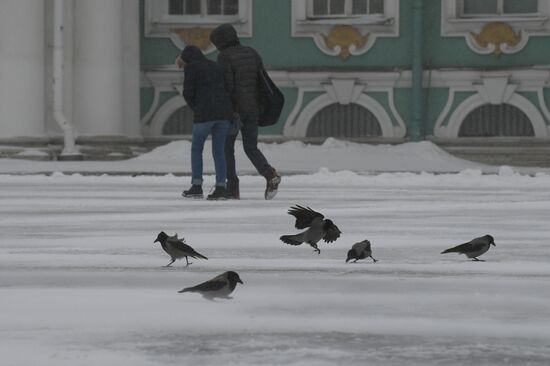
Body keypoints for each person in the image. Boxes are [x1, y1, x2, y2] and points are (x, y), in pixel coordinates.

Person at [210, 23, 281, 200]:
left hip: (234, 111)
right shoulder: (252, 52)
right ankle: (269, 174)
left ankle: (232, 188)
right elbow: (261, 80)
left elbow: (227, 86)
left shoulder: (224, 57)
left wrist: (225, 110)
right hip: (253, 108)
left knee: (227, 148)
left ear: (220, 41)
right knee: (250, 147)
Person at [176, 45, 233, 200]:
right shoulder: (216, 66)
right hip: (223, 114)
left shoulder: (192, 68)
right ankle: (221, 187)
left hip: (204, 115)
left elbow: (188, 92)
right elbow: (228, 88)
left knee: (196, 150)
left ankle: (196, 186)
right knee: (219, 151)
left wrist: (197, 107)